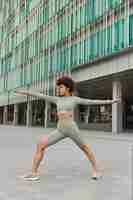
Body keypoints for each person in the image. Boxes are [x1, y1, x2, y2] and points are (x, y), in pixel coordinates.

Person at [15, 76, 120, 181]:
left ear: (68, 88)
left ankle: (96, 171)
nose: (58, 89)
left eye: (61, 87)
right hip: (60, 129)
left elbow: (92, 102)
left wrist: (111, 101)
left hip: (71, 129)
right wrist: (24, 92)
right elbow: (40, 95)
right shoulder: (56, 99)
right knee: (40, 145)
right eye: (58, 87)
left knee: (85, 148)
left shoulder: (74, 99)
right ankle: (34, 173)